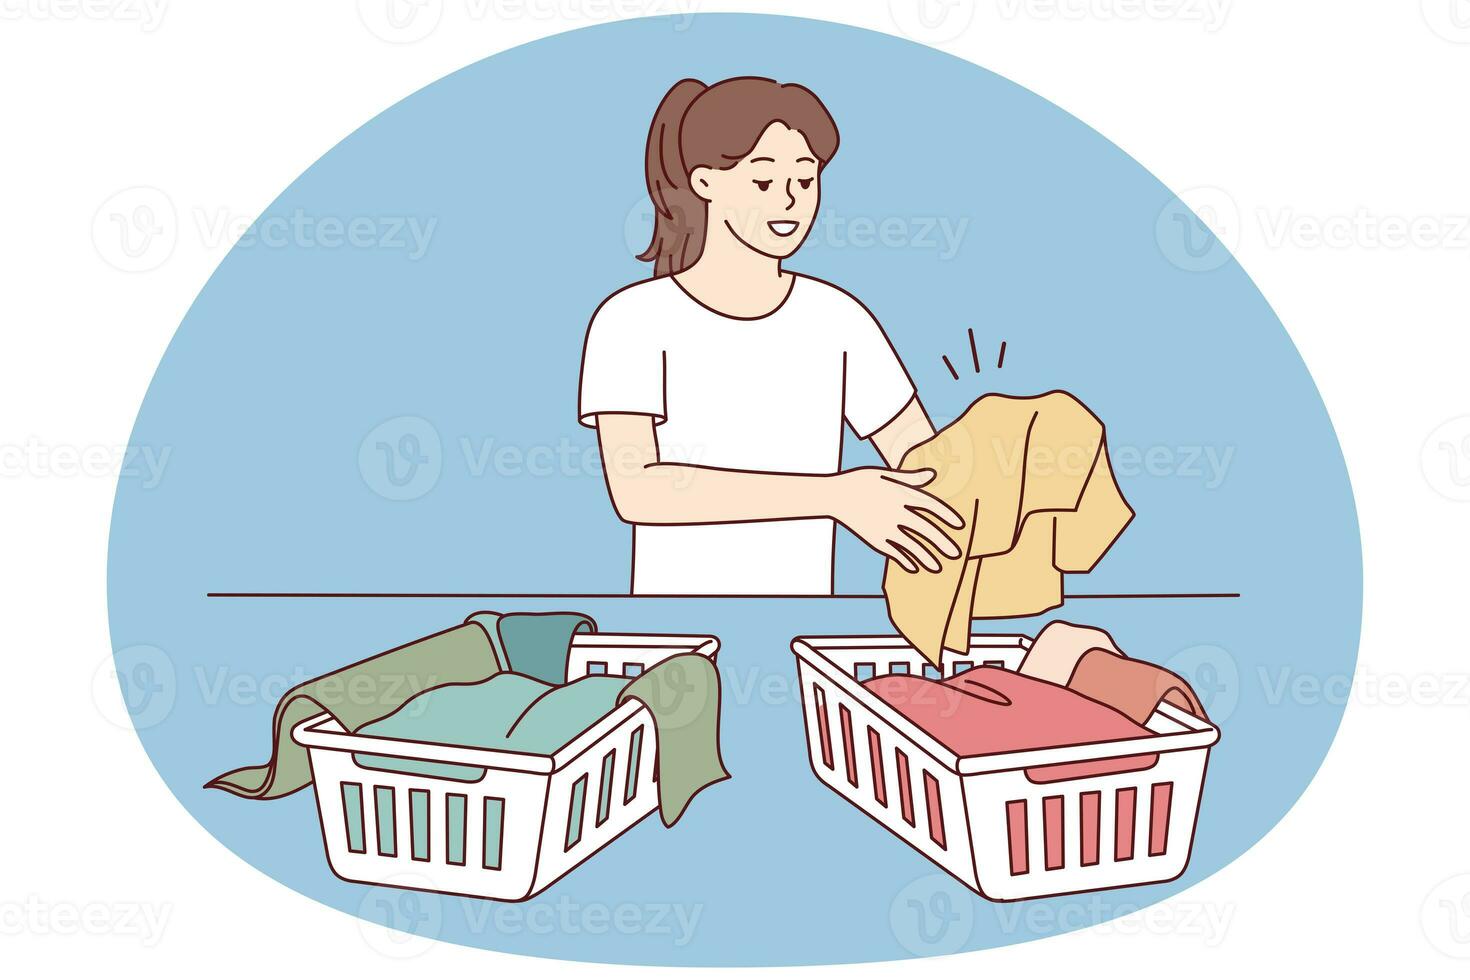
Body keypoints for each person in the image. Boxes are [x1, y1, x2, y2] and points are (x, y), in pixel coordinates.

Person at [578, 76, 963, 596]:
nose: (789, 202)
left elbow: (924, 464)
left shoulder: (839, 318)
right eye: (763, 183)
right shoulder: (632, 321)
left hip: (807, 627)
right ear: (705, 182)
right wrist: (836, 497)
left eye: (805, 182)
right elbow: (638, 490)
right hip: (671, 631)